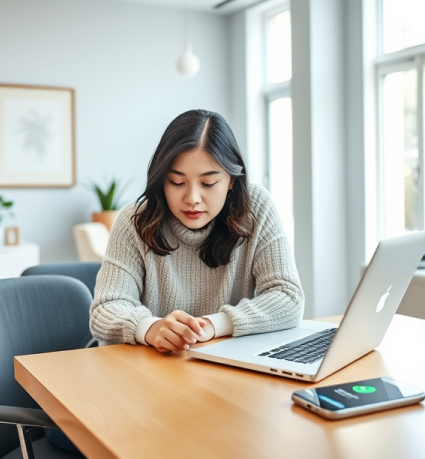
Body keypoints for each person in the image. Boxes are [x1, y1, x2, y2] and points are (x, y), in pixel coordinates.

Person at [89, 109, 304, 351]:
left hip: (222, 365)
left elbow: (288, 297)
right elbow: (105, 310)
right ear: (161, 180)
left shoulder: (255, 208)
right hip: (147, 369)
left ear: (231, 180)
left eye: (208, 183)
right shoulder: (135, 220)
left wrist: (214, 324)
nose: (192, 198)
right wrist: (149, 328)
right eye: (177, 182)